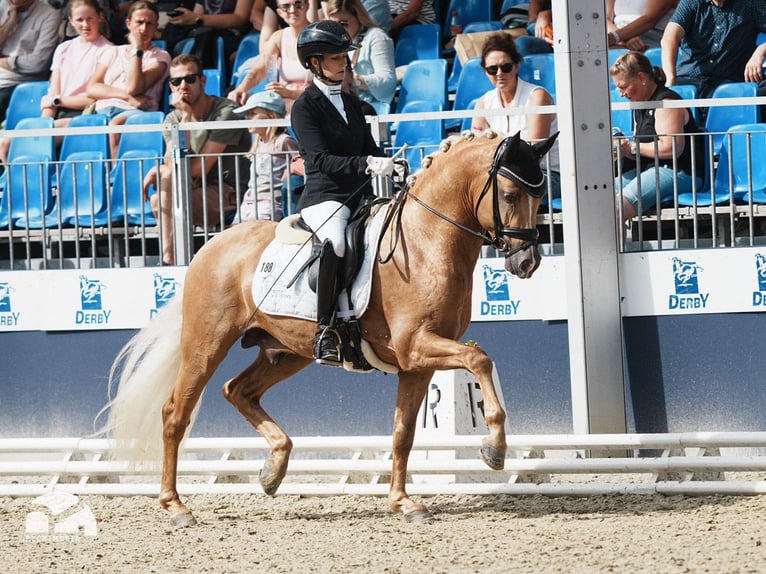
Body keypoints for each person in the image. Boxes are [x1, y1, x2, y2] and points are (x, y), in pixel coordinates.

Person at [290, 20, 393, 365]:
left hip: (360, 196)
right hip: (325, 197)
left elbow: (369, 148)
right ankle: (325, 330)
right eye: (335, 58)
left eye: (344, 57)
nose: (344, 63)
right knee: (335, 242)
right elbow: (319, 160)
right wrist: (366, 163)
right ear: (314, 63)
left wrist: (389, 162)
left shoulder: (352, 104)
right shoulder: (304, 107)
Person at [142, 53, 251, 265]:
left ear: (202, 81)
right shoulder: (174, 117)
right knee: (158, 196)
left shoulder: (226, 113)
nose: (183, 85)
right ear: (171, 87)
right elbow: (169, 163)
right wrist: (184, 118)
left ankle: (170, 260)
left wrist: (161, 171)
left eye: (190, 79)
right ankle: (170, 258)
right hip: (193, 190)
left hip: (228, 192)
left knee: (164, 185)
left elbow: (197, 170)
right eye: (176, 81)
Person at [0, 0, 113, 165]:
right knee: (7, 141)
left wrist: (56, 101)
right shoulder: (64, 48)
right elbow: (54, 89)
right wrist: (44, 122)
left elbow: (94, 98)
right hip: (58, 112)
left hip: (85, 114)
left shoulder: (108, 51)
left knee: (17, 142)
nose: (85, 24)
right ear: (71, 21)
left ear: (100, 17)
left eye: (90, 19)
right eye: (79, 20)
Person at [610, 51, 704, 224]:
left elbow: (671, 148)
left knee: (616, 208)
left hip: (678, 171)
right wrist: (622, 149)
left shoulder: (666, 103)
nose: (621, 93)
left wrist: (630, 147)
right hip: (649, 169)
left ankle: (612, 251)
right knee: (596, 201)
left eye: (623, 86)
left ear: (641, 77)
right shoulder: (640, 103)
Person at [471, 33, 560, 198]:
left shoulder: (537, 97)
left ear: (516, 66)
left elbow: (534, 156)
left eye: (506, 67)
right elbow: (476, 150)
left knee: (499, 196)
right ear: (485, 71)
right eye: (492, 69)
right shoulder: (483, 103)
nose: (499, 73)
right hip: (503, 176)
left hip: (546, 174)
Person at [86, 0, 171, 158]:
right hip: (102, 111)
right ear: (128, 23)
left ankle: (113, 180)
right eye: (139, 22)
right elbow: (92, 88)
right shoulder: (113, 52)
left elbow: (134, 87)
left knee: (114, 127)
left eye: (149, 24)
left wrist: (137, 50)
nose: (144, 29)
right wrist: (126, 96)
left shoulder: (160, 57)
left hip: (137, 112)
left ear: (156, 26)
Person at [660, 0, 766, 100]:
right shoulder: (691, 2)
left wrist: (760, 51)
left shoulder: (752, 3)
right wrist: (670, 78)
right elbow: (669, 38)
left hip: (730, 82)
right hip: (688, 78)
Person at [229, 0, 313, 111]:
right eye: (286, 6)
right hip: (285, 104)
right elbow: (260, 69)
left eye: (298, 4)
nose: (292, 10)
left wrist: (291, 93)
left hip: (313, 104)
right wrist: (241, 89)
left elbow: (327, 86)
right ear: (279, 12)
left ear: (307, 6)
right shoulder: (278, 37)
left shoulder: (318, 35)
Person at [232, 90, 298, 221]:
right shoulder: (257, 142)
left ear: (271, 117)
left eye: (252, 114)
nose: (248, 119)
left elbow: (300, 160)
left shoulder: (283, 141)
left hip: (270, 203)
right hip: (249, 201)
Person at [324, 0, 395, 113]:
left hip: (371, 108)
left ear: (359, 18)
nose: (339, 30)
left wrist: (353, 80)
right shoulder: (333, 43)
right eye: (333, 25)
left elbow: (387, 82)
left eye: (343, 24)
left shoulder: (377, 37)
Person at [0, 0, 59, 127]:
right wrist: (10, 23)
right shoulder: (2, 7)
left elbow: (37, 64)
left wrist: (5, 61)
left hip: (18, 82)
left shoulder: (49, 15)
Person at [162, 0, 254, 68]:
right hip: (203, 33)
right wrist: (184, 17)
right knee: (180, 46)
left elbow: (240, 18)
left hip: (232, 35)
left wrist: (197, 19)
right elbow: (196, 14)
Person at [606, 0, 678, 51]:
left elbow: (650, 19)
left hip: (650, 38)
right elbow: (605, 19)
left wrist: (616, 37)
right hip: (620, 38)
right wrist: (621, 39)